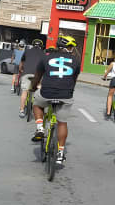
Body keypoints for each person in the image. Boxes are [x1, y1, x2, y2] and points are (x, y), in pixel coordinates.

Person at [31, 36, 81, 164]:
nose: (72, 50)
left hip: (46, 92)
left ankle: (40, 128)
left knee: (36, 103)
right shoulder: (76, 61)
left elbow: (37, 76)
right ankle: (60, 153)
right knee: (62, 123)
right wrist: (70, 91)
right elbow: (73, 80)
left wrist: (33, 87)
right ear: (67, 48)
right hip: (66, 95)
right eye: (71, 47)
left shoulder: (46, 57)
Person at [18, 39, 45, 118]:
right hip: (37, 75)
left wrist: (21, 70)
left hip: (26, 73)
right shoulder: (43, 54)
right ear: (41, 46)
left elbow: (21, 62)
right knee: (38, 91)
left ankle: (22, 111)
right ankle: (38, 109)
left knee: (24, 92)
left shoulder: (27, 51)